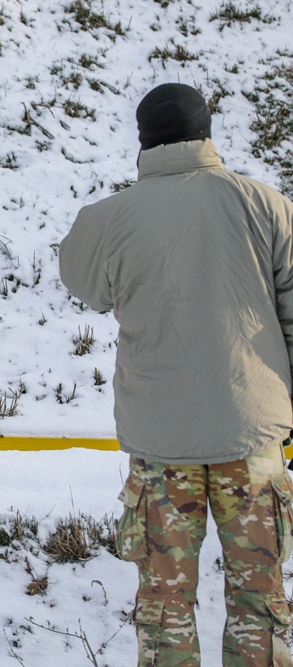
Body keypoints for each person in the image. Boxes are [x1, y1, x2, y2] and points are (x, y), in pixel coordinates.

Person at [60, 82, 293, 666]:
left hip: (162, 445)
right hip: (254, 435)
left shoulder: (107, 217)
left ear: (143, 140)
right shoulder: (264, 203)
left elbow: (87, 287)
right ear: (206, 132)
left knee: (164, 601)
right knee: (260, 596)